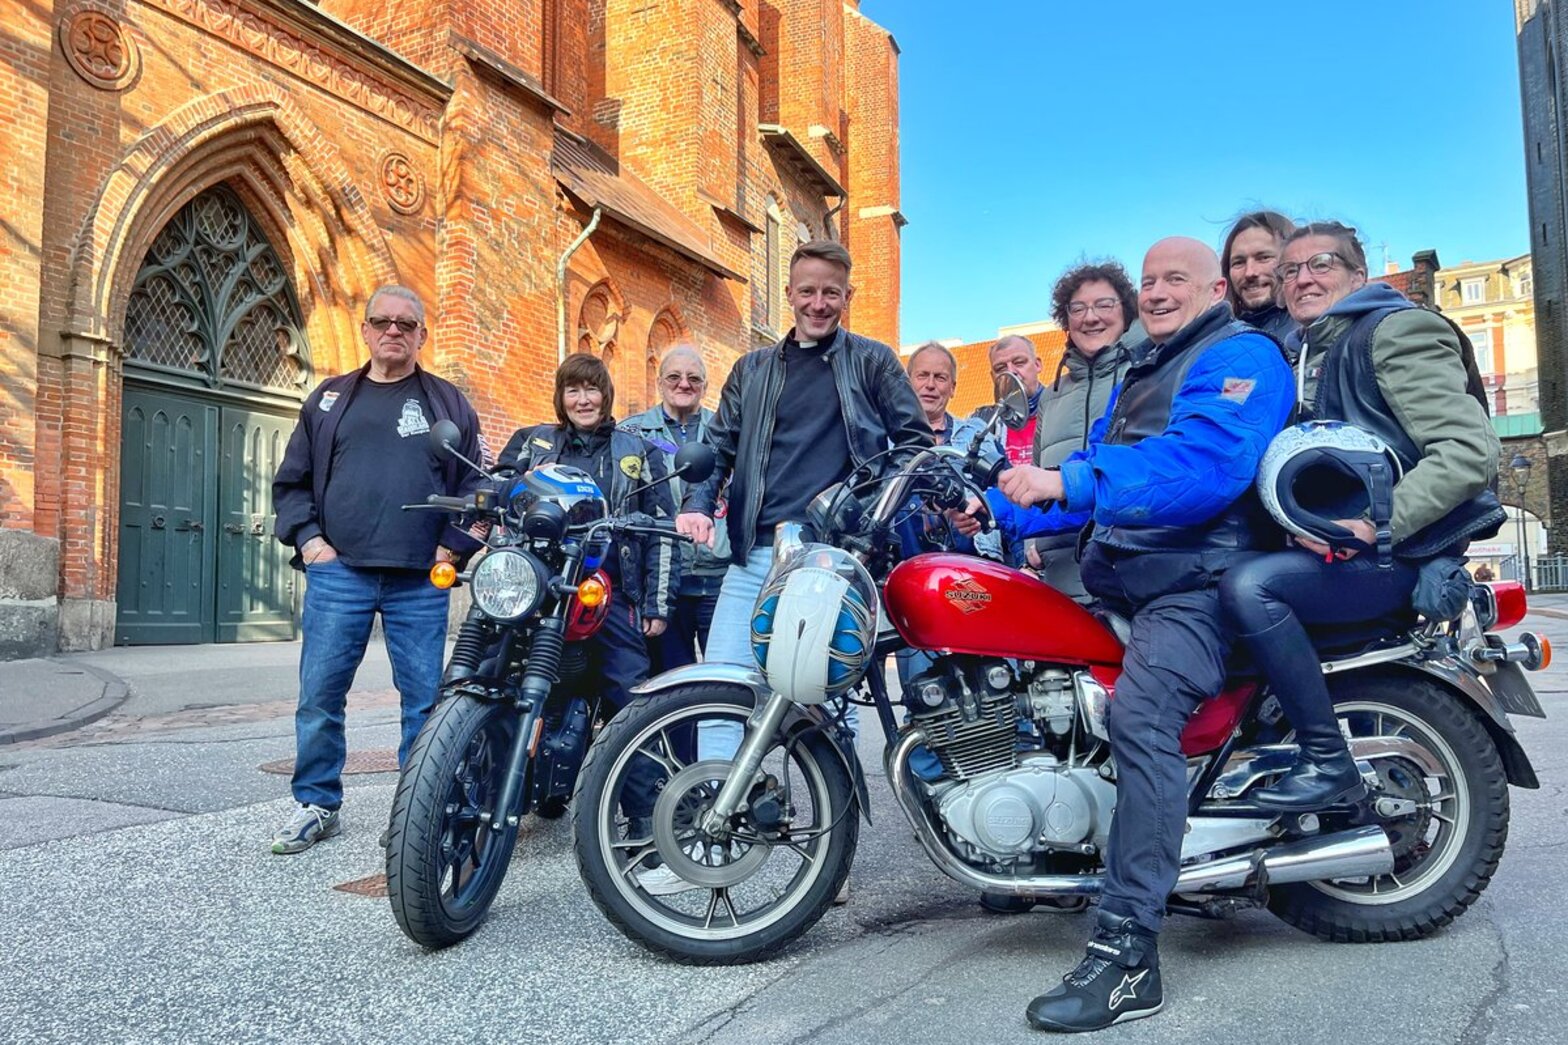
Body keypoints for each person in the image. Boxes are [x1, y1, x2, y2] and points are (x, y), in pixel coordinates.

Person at [988, 238, 1293, 1032]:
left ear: (1216, 287)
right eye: (1150, 279)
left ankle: (1127, 955)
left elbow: (1203, 465)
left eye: (1173, 280)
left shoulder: (1240, 355)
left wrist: (1070, 478)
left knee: (1141, 717)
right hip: (1127, 577)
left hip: (1193, 587)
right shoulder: (1154, 367)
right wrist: (992, 508)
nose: (1156, 292)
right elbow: (1107, 481)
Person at [1218, 222, 1500, 810]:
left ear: (1358, 275)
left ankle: (1327, 760)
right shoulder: (1310, 349)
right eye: (1289, 271)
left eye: (1320, 264)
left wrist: (1378, 522)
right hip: (1343, 545)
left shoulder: (1393, 331)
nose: (1302, 279)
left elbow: (1467, 453)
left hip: (1398, 552)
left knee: (1251, 588)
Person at [678, 237, 931, 769]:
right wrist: (700, 503)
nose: (819, 303)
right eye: (809, 291)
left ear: (848, 296)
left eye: (831, 293)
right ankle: (708, 816)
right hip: (754, 557)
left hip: (832, 560)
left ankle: (832, 836)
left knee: (824, 702)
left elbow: (914, 445)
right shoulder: (751, 370)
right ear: (789, 293)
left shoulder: (873, 361)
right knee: (719, 690)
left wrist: (858, 504)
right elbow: (721, 445)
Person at [270, 286, 486, 854]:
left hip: (420, 579)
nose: (394, 331)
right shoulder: (329, 399)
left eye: (406, 323)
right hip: (340, 573)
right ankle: (316, 803)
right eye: (382, 321)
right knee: (319, 693)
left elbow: (476, 485)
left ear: (421, 335)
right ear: (365, 330)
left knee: (423, 702)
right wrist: (312, 542)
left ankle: (421, 811)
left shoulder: (448, 403)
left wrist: (454, 549)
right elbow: (291, 482)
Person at [498, 353, 679, 865]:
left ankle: (644, 820)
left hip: (611, 592)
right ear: (561, 396)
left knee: (631, 699)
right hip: (540, 589)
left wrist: (657, 601)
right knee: (510, 687)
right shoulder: (533, 443)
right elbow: (497, 499)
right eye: (573, 390)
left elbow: (662, 529)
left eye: (592, 390)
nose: (583, 399)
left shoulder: (638, 451)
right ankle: (480, 798)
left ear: (606, 395)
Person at [979, 261, 1142, 599]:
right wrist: (987, 507)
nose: (1090, 317)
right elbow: (1040, 480)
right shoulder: (1052, 397)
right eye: (1078, 308)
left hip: (1129, 575)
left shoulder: (1145, 377)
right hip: (1061, 577)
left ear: (1127, 311)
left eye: (1104, 304)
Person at [621, 344, 730, 673]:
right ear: (659, 382)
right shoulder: (632, 433)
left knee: (725, 681)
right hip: (665, 584)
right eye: (674, 376)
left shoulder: (726, 432)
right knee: (672, 682)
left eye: (694, 378)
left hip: (721, 579)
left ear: (705, 386)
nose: (684, 384)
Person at [1221, 210, 1299, 343]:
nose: (1250, 272)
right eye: (1238, 262)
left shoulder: (1312, 331)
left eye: (1264, 258)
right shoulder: (1219, 338)